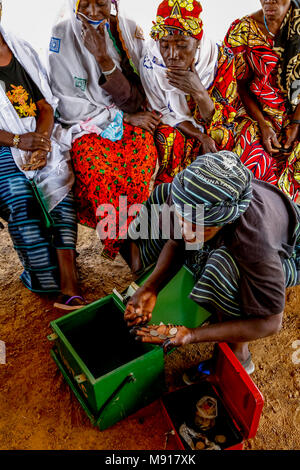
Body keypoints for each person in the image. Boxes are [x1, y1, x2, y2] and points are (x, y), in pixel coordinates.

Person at [123, 151, 300, 374]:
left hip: (290, 252)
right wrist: (150, 287)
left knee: (221, 266)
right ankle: (154, 273)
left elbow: (269, 323)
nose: (187, 231)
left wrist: (190, 335)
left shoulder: (255, 241)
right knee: (160, 196)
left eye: (200, 226)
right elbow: (178, 242)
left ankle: (238, 354)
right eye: (182, 219)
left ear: (224, 221)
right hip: (236, 235)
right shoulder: (181, 195)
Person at [48, 0, 159, 261]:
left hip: (129, 117)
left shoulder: (127, 30)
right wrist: (122, 118)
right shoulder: (61, 35)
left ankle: (137, 238)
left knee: (141, 158)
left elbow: (146, 85)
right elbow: (68, 105)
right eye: (85, 4)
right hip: (86, 126)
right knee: (97, 168)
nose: (93, 12)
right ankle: (126, 247)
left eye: (100, 4)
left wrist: (103, 58)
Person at [0, 7, 83, 310]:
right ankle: (43, 275)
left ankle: (71, 284)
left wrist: (43, 142)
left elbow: (45, 104)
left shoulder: (21, 49)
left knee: (59, 179)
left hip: (38, 133)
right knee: (19, 197)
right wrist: (19, 141)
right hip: (2, 144)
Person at [140, 0, 237, 186]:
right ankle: (171, 199)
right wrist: (199, 135)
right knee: (166, 138)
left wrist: (198, 91)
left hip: (212, 121)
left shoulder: (220, 60)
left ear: (197, 42)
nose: (172, 54)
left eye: (182, 45)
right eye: (165, 45)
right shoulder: (151, 63)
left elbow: (222, 118)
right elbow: (163, 113)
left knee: (221, 138)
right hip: (179, 125)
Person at [224, 0, 300, 201]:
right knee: (249, 162)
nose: (269, 0)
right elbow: (240, 84)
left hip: (297, 113)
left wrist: (295, 124)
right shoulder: (242, 29)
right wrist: (263, 124)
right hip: (257, 111)